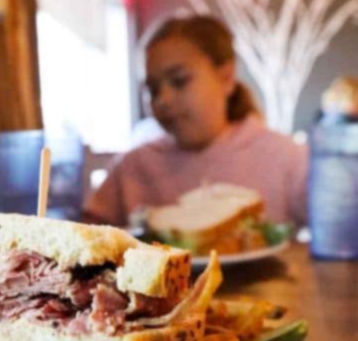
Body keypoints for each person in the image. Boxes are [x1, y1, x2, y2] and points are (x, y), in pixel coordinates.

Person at [83, 15, 308, 226]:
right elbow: (86, 236)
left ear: (226, 78)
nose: (163, 100)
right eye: (152, 89)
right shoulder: (132, 166)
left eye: (179, 81)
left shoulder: (285, 157)